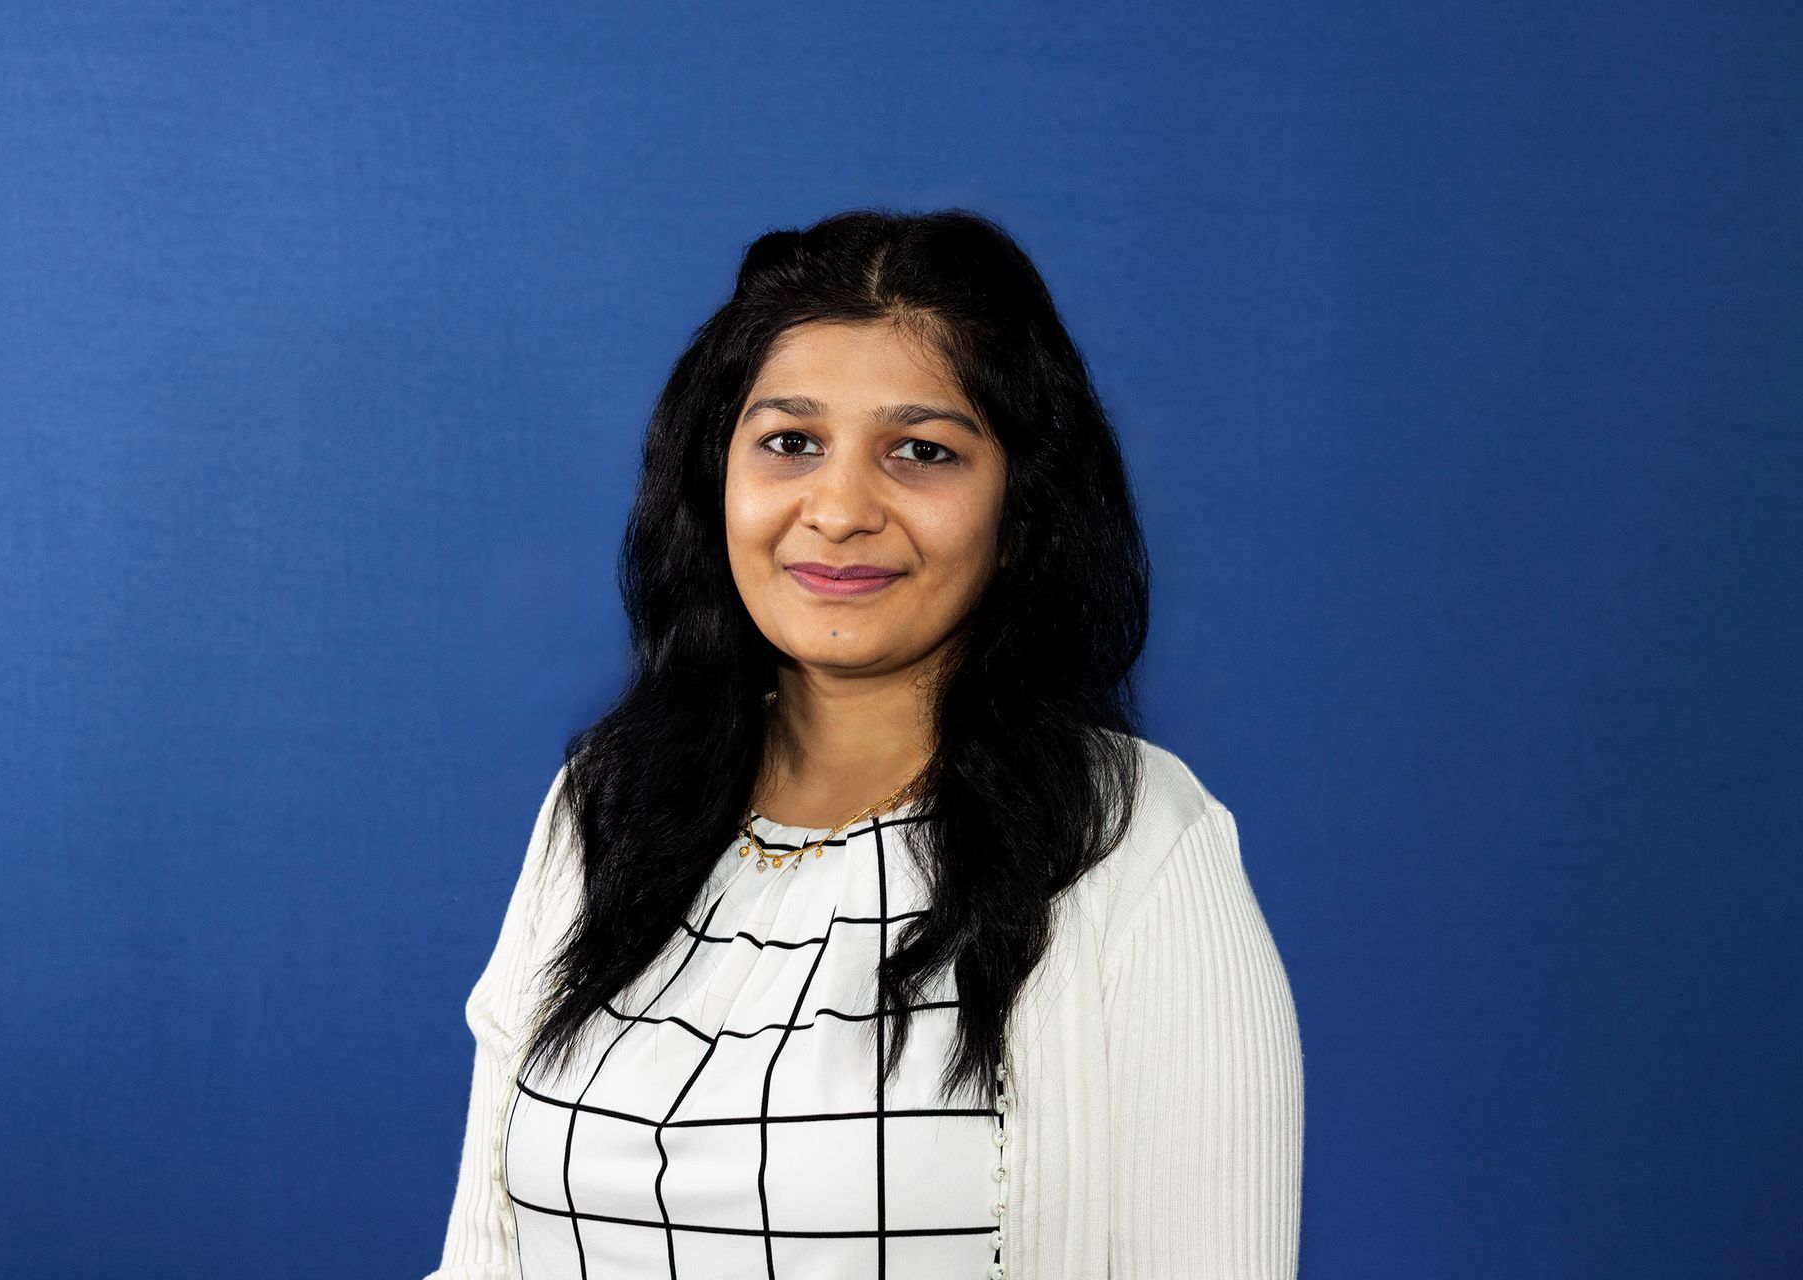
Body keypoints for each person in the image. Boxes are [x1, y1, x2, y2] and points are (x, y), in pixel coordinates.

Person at [423, 208, 1304, 1280]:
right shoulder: (604, 804)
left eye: (921, 451)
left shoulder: (1130, 838)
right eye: (790, 442)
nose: (838, 508)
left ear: (1020, 514)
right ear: (716, 481)